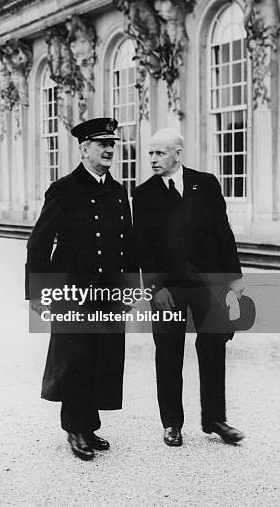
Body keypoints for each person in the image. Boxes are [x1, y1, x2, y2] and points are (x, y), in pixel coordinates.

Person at [26, 117, 136, 460]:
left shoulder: (118, 191)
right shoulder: (64, 189)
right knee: (76, 358)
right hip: (74, 289)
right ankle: (74, 428)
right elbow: (39, 243)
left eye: (112, 144)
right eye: (101, 144)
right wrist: (38, 292)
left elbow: (128, 245)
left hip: (108, 291)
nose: (108, 150)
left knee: (102, 356)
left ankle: (89, 424)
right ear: (83, 148)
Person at [133, 128, 244, 447]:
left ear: (177, 154)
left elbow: (223, 232)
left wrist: (234, 277)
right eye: (150, 153)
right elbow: (143, 248)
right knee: (168, 353)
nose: (152, 158)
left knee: (213, 347)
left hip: (206, 284)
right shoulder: (143, 194)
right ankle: (172, 424)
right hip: (167, 289)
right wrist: (155, 289)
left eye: (159, 153)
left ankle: (215, 419)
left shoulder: (206, 184)